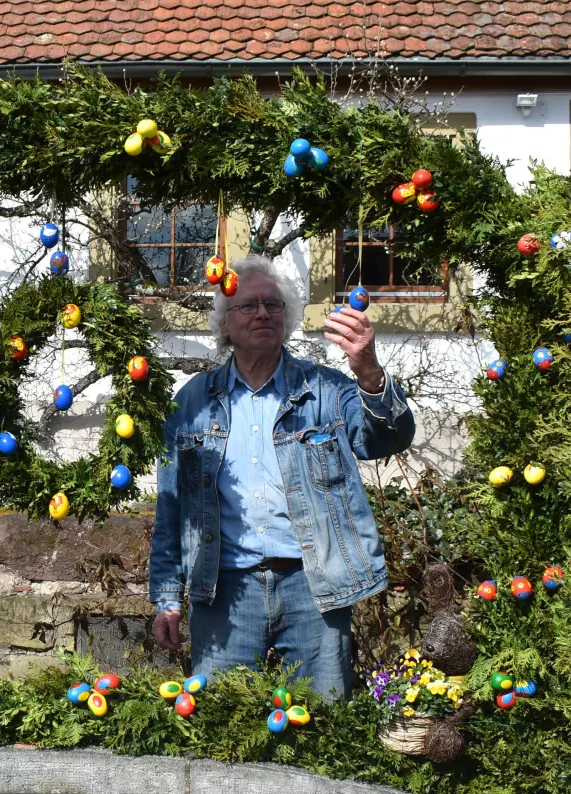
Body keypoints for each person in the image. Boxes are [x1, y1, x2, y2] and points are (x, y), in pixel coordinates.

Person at [148, 254, 415, 699]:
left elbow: (388, 438)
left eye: (273, 305)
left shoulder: (326, 390)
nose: (262, 313)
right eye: (248, 306)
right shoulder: (191, 403)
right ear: (224, 325)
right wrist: (168, 598)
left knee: (324, 724)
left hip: (314, 586)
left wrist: (368, 370)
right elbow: (172, 509)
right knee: (222, 727)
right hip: (224, 591)